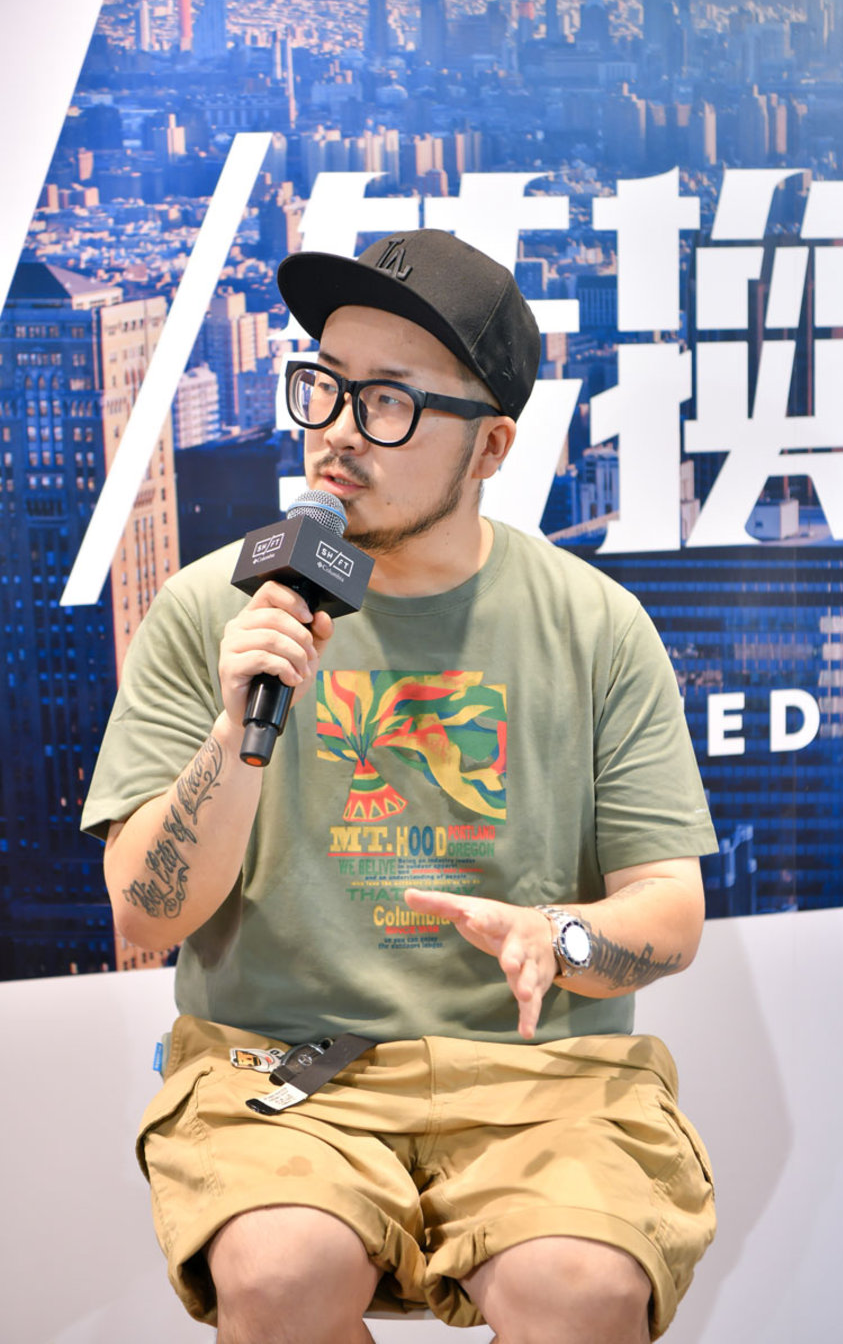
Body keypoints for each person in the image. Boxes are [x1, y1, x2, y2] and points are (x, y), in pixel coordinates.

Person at [82, 228, 718, 1344]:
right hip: (283, 1074)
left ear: (492, 447)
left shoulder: (595, 624)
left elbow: (670, 907)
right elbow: (145, 912)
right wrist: (235, 736)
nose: (337, 430)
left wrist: (558, 938)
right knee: (281, 1271)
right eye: (325, 386)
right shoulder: (212, 609)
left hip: (541, 1079)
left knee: (582, 1287)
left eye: (387, 402)